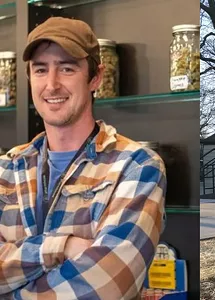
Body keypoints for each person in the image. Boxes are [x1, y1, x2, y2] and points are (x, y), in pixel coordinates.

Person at [0, 16, 166, 300]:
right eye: (40, 70)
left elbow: (109, 284)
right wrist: (62, 247)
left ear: (96, 77)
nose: (52, 85)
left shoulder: (137, 166)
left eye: (67, 68)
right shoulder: (8, 168)